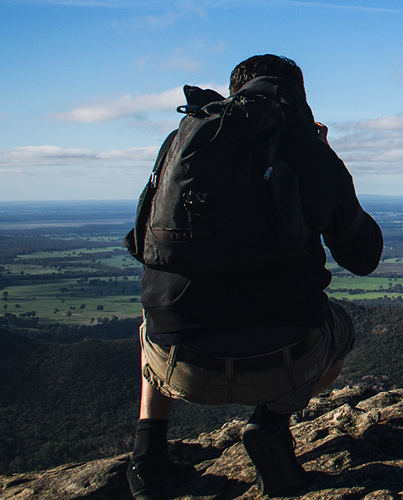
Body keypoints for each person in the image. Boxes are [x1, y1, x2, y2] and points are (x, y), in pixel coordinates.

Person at [126, 54, 383, 499]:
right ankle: (270, 424)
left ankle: (147, 459)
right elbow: (364, 257)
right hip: (282, 362)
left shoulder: (182, 143)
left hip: (178, 363)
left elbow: (140, 245)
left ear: (234, 93)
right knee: (341, 327)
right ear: (299, 97)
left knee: (153, 313)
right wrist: (329, 165)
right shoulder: (308, 151)